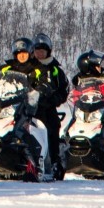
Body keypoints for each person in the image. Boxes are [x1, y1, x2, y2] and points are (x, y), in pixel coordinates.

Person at [28, 35, 69, 175]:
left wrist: (54, 99)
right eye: (37, 50)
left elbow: (64, 89)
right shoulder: (28, 65)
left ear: (48, 51)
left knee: (52, 127)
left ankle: (53, 160)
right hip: (26, 105)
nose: (40, 53)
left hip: (46, 106)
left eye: (43, 50)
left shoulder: (55, 69)